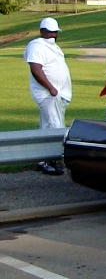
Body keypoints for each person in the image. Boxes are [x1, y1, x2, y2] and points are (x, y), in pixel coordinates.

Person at [23, 17, 72, 175]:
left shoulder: (54, 47)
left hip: (57, 94)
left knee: (47, 126)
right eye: (50, 32)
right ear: (42, 32)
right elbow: (36, 69)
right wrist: (51, 88)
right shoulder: (37, 46)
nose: (53, 35)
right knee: (55, 126)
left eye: (54, 32)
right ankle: (52, 160)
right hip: (48, 94)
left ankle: (42, 160)